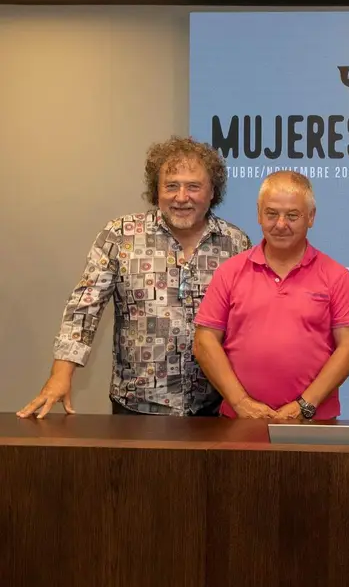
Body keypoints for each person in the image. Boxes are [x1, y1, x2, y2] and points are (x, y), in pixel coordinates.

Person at [17, 137, 251, 419]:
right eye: (171, 185)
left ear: (212, 191)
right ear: (156, 190)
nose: (181, 197)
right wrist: (60, 374)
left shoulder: (235, 243)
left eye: (193, 186)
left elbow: (248, 323)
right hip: (137, 408)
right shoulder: (121, 234)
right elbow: (84, 306)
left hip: (212, 408)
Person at [193, 171, 349, 420]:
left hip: (314, 421)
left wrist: (305, 406)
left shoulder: (336, 275)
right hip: (240, 420)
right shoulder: (229, 272)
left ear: (311, 217)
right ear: (259, 215)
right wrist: (242, 404)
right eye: (271, 213)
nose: (281, 224)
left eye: (292, 215)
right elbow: (204, 342)